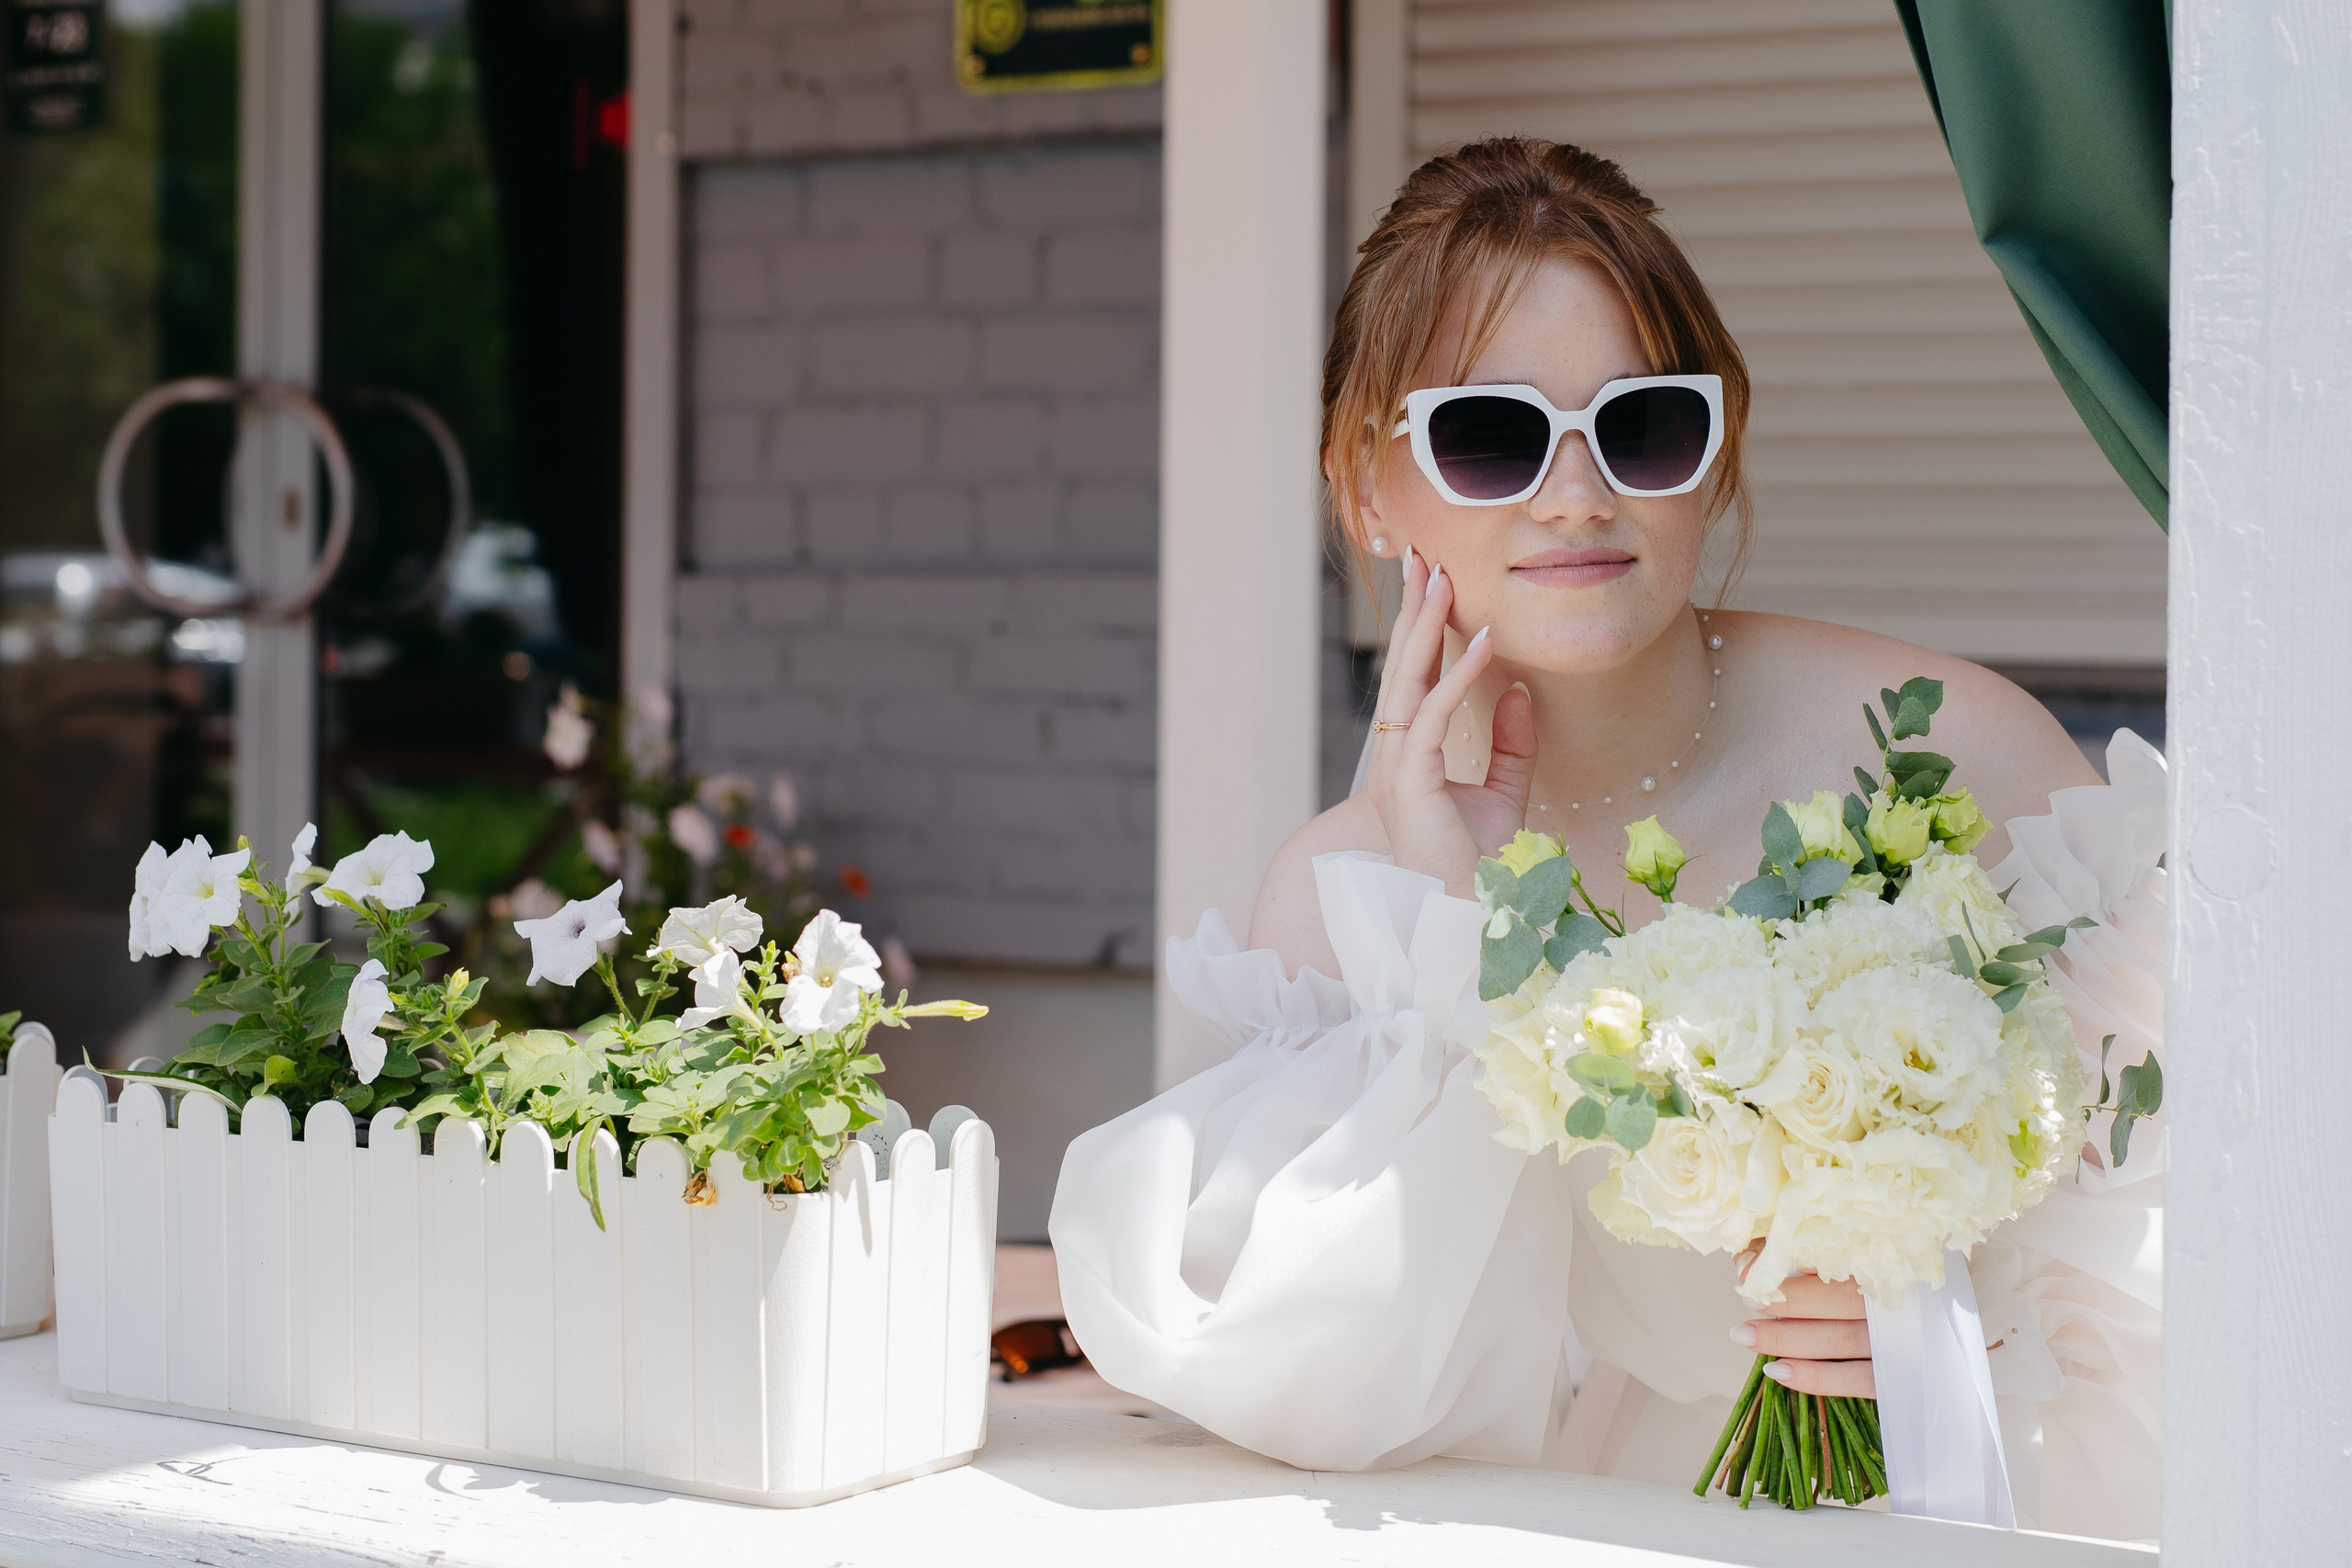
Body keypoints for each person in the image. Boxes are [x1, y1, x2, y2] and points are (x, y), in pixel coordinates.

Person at [1047, 138, 2162, 1542]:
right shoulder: (1341, 894)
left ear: (1716, 453)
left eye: (1642, 428)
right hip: (1603, 1525)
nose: (1576, 495)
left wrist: (1961, 1335)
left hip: (2006, 1490)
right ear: (1364, 488)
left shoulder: (1959, 756)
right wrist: (1444, 942)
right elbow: (1332, 1383)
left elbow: (2204, 1210)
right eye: (1490, 436)